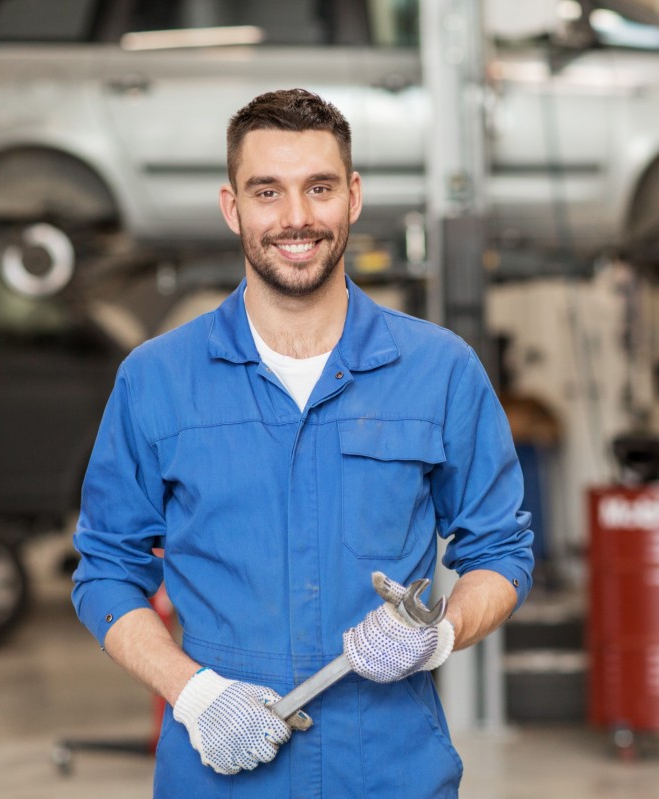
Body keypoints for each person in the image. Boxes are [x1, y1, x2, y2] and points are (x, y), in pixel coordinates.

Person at [72, 88, 534, 797]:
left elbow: (500, 552)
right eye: (267, 191)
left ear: (352, 197)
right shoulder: (156, 380)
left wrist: (439, 634)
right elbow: (106, 568)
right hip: (220, 773)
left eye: (318, 188)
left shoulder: (438, 370)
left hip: (391, 771)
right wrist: (190, 692)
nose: (295, 218)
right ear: (232, 207)